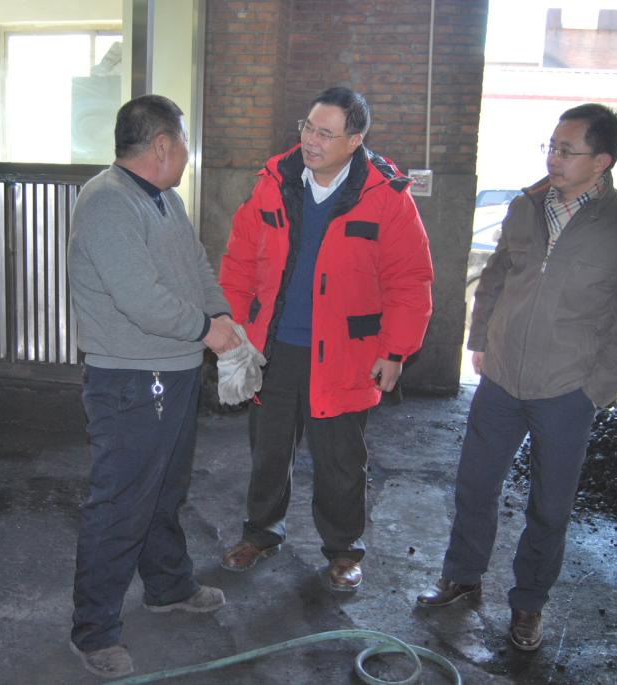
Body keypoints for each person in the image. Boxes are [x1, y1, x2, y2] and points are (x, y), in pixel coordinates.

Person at [416, 103, 617, 652]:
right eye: (552, 146)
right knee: (475, 484)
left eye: (567, 150)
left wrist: (595, 391)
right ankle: (462, 575)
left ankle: (528, 603)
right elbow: (495, 276)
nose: (554, 158)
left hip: (566, 391)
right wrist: (480, 341)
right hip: (502, 379)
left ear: (601, 160)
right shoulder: (525, 207)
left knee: (550, 505)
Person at [217, 86, 433, 591]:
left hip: (345, 355)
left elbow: (410, 281)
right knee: (268, 450)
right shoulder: (274, 182)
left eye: (326, 134)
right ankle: (261, 533)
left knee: (340, 459)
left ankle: (343, 550)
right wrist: (233, 329)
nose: (311, 141)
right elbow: (239, 260)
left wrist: (395, 351)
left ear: (354, 141)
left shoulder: (386, 196)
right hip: (274, 347)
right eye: (308, 128)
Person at [67, 94, 242, 679]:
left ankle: (168, 586)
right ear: (163, 145)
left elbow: (196, 265)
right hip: (131, 379)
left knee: (165, 489)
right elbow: (138, 297)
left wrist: (221, 315)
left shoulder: (165, 199)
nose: (188, 153)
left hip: (175, 370)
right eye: (185, 141)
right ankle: (94, 630)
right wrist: (206, 330)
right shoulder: (107, 202)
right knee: (121, 502)